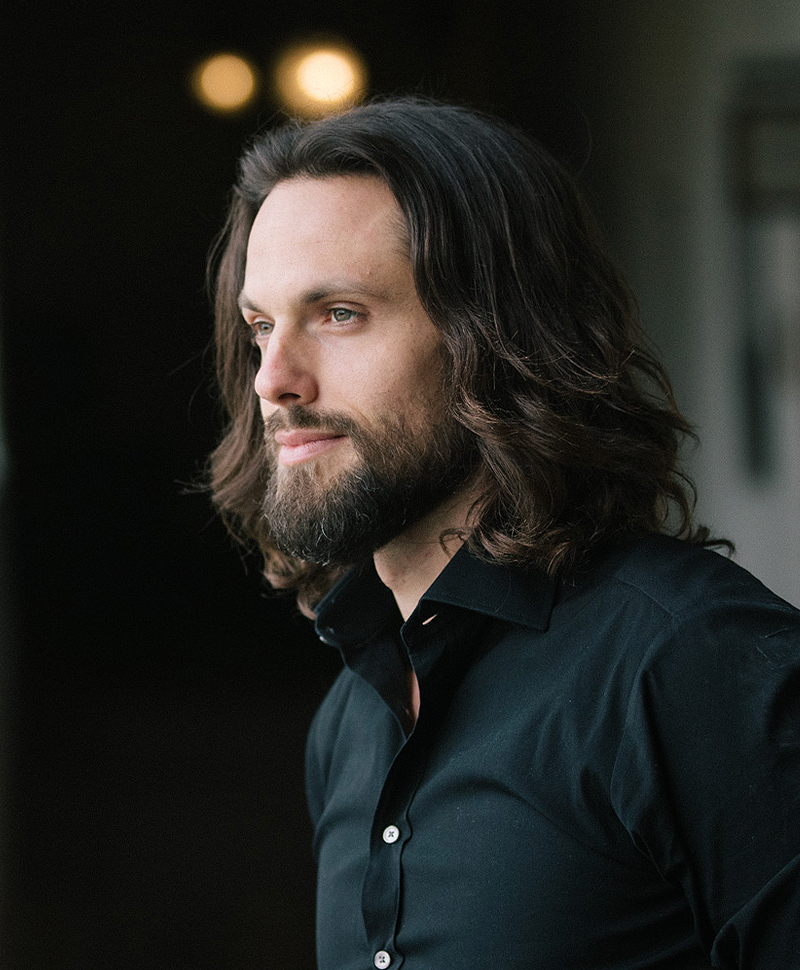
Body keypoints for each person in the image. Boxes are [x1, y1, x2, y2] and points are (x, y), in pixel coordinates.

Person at [206, 96, 800, 969]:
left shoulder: (693, 666)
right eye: (261, 326)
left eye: (339, 313)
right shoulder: (350, 720)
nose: (273, 380)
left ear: (494, 335)